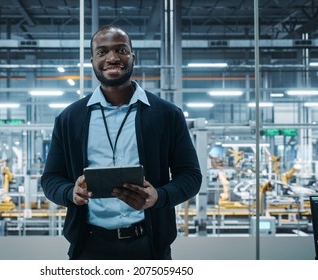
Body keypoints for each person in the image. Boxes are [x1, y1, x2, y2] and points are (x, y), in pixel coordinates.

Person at [40, 25, 202, 260]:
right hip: (88, 246)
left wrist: (159, 196)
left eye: (121, 50)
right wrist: (69, 192)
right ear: (92, 60)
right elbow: (51, 178)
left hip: (149, 246)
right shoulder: (70, 118)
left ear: (132, 57)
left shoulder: (166, 114)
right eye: (102, 52)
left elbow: (190, 176)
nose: (113, 58)